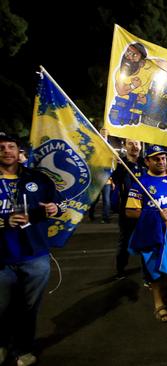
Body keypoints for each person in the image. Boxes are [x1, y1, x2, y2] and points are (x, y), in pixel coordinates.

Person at [0, 132, 64, 366]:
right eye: (2, 148)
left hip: (35, 256)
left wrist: (55, 208)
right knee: (2, 307)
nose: (6, 151)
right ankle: (2, 343)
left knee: (28, 308)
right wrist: (4, 222)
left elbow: (60, 203)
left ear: (19, 152)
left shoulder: (38, 178)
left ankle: (23, 348)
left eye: (11, 147)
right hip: (2, 258)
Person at [126, 145, 167, 322]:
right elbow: (130, 211)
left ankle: (163, 286)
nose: (161, 161)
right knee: (155, 272)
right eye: (156, 159)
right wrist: (155, 214)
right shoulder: (141, 183)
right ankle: (159, 305)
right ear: (147, 161)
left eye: (163, 158)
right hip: (157, 236)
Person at [111, 138, 145, 279]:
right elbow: (115, 181)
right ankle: (120, 269)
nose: (134, 146)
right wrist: (121, 168)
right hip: (128, 211)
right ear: (125, 146)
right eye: (130, 143)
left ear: (141, 146)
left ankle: (148, 270)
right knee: (125, 241)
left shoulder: (146, 163)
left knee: (148, 241)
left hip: (146, 210)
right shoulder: (121, 164)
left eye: (137, 143)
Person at [88, 128, 113, 223]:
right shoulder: (94, 146)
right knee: (95, 199)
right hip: (96, 178)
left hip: (107, 179)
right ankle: (91, 214)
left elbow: (112, 165)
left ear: (108, 133)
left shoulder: (110, 147)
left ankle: (105, 218)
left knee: (106, 200)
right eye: (102, 130)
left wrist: (112, 178)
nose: (103, 132)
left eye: (105, 131)